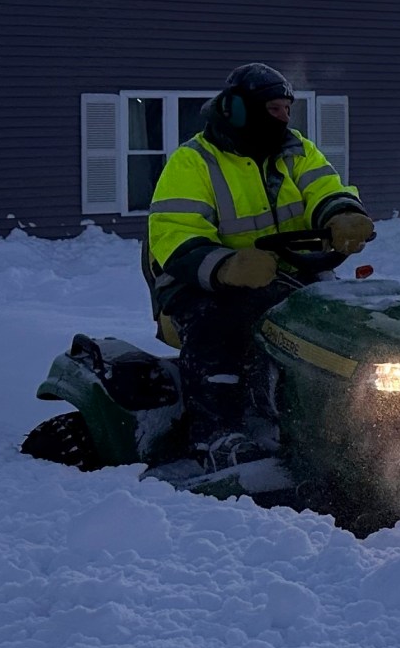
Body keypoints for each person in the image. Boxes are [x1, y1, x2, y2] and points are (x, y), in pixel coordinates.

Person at [143, 63, 376, 456]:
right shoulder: (194, 161)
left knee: (345, 319)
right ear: (237, 109)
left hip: (289, 272)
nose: (284, 117)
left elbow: (324, 187)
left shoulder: (296, 150)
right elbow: (173, 231)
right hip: (201, 280)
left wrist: (341, 214)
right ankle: (216, 435)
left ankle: (352, 415)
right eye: (274, 109)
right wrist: (226, 266)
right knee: (221, 323)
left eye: (287, 109)